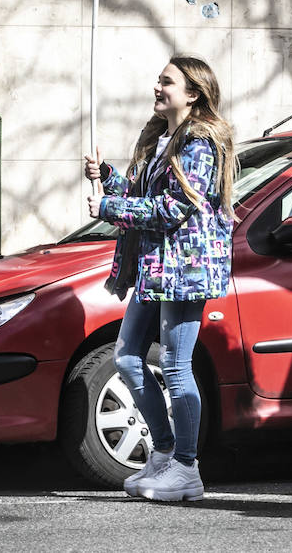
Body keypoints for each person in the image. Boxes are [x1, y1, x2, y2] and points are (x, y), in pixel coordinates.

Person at [84, 55, 235, 502]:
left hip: (186, 270)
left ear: (193, 93)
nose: (157, 87)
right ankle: (165, 453)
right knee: (128, 358)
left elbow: (172, 209)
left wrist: (108, 210)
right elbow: (140, 196)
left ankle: (187, 468)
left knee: (175, 366)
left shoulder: (200, 144)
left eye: (166, 82)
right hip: (154, 268)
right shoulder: (159, 137)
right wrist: (106, 178)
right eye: (158, 80)